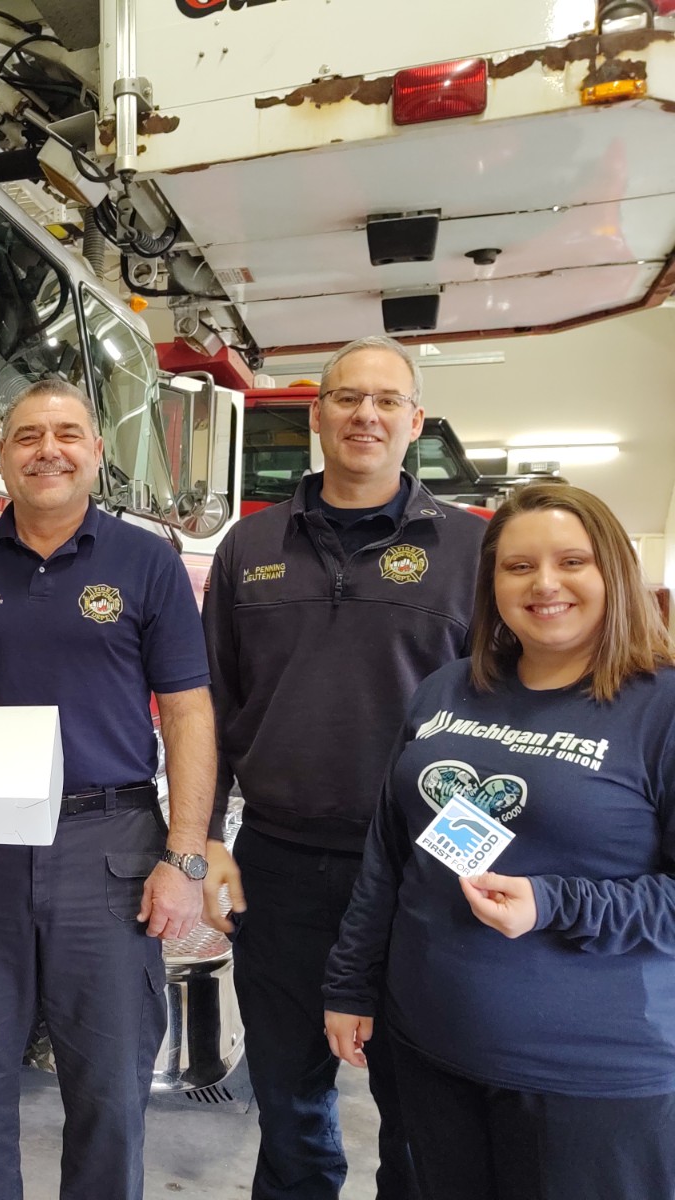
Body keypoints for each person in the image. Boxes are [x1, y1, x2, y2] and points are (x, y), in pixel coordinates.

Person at [0, 378, 216, 1200]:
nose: (49, 450)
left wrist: (186, 857)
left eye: (67, 433)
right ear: (0, 451)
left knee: (108, 1090)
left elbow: (185, 714)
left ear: (96, 452)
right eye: (28, 435)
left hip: (108, 851)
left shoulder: (146, 563)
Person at [324, 483, 675, 1199]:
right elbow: (391, 855)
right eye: (518, 567)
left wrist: (553, 903)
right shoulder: (446, 691)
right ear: (491, 584)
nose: (544, 584)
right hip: (429, 1048)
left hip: (588, 1080)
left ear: (613, 570)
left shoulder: (659, 708)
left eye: (571, 561)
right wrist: (349, 983)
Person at [203, 335, 486, 1200]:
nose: (366, 414)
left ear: (415, 421)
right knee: (289, 1096)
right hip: (278, 864)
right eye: (347, 398)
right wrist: (207, 838)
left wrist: (480, 858)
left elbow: (506, 720)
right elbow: (207, 708)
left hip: (419, 870)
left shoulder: (474, 551)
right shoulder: (247, 547)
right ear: (316, 413)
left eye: (386, 401)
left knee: (418, 1102)